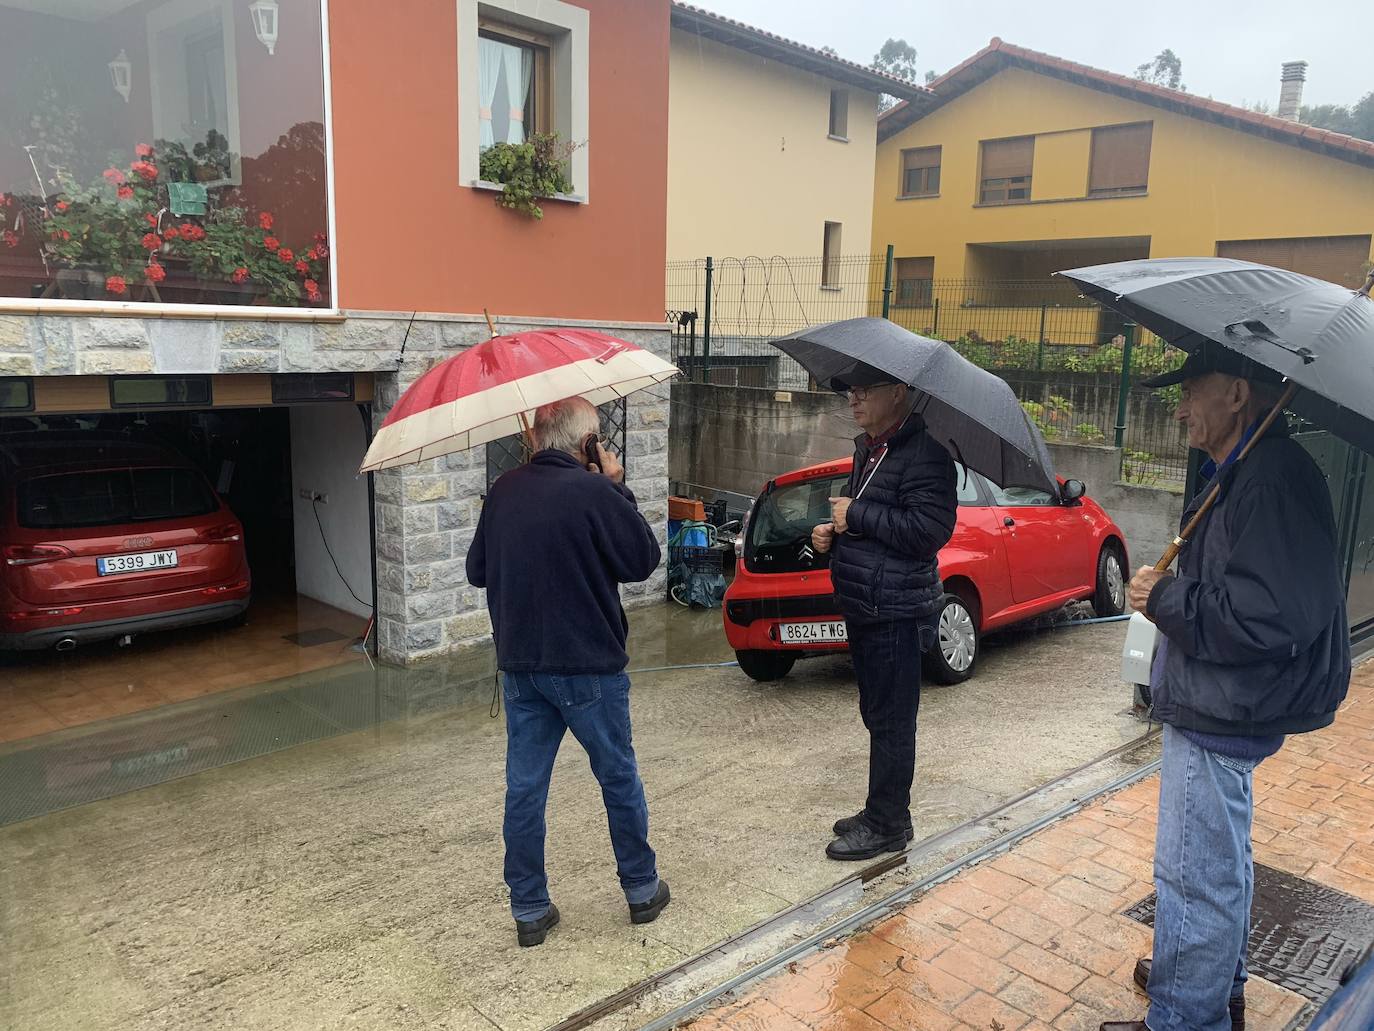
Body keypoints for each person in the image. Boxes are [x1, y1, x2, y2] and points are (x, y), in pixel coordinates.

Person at [1102, 348, 1351, 1031]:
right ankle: (1209, 981)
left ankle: (1187, 1014)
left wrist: (1166, 597)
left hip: (1224, 706)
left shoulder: (1268, 477)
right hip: (1222, 700)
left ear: (1237, 394)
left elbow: (1266, 615)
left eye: (1190, 391)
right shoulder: (1246, 471)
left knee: (1194, 876)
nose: (1179, 407)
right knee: (1217, 863)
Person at [465, 397, 670, 947]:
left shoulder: (504, 491)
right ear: (587, 445)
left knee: (525, 789)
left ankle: (529, 908)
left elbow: (476, 571)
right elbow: (642, 560)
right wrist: (617, 487)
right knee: (617, 776)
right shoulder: (596, 492)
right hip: (589, 668)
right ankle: (641, 890)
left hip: (522, 666)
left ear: (534, 438)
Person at [811, 370, 958, 861]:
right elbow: (869, 521)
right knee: (876, 713)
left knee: (894, 720)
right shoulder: (872, 448)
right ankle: (881, 808)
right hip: (866, 603)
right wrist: (834, 532)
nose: (853, 398)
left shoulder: (926, 455)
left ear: (897, 393)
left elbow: (927, 532)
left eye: (863, 390)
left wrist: (856, 516)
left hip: (896, 608)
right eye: (849, 391)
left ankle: (889, 823)